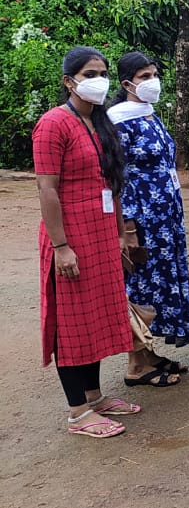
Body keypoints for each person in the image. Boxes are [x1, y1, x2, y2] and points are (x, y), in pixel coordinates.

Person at [33, 47, 140, 438]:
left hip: (100, 231)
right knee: (73, 323)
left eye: (103, 72)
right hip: (71, 235)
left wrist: (121, 234)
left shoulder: (100, 122)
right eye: (90, 73)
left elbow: (112, 182)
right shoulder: (53, 124)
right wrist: (61, 246)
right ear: (69, 81)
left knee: (94, 316)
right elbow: (47, 189)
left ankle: (94, 396)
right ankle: (78, 412)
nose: (99, 79)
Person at [108, 52, 189, 388]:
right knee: (140, 285)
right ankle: (135, 364)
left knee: (159, 283)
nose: (152, 81)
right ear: (127, 82)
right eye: (145, 76)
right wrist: (127, 227)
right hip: (141, 221)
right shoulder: (118, 121)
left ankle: (148, 353)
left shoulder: (148, 114)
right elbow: (119, 177)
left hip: (165, 218)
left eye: (154, 74)